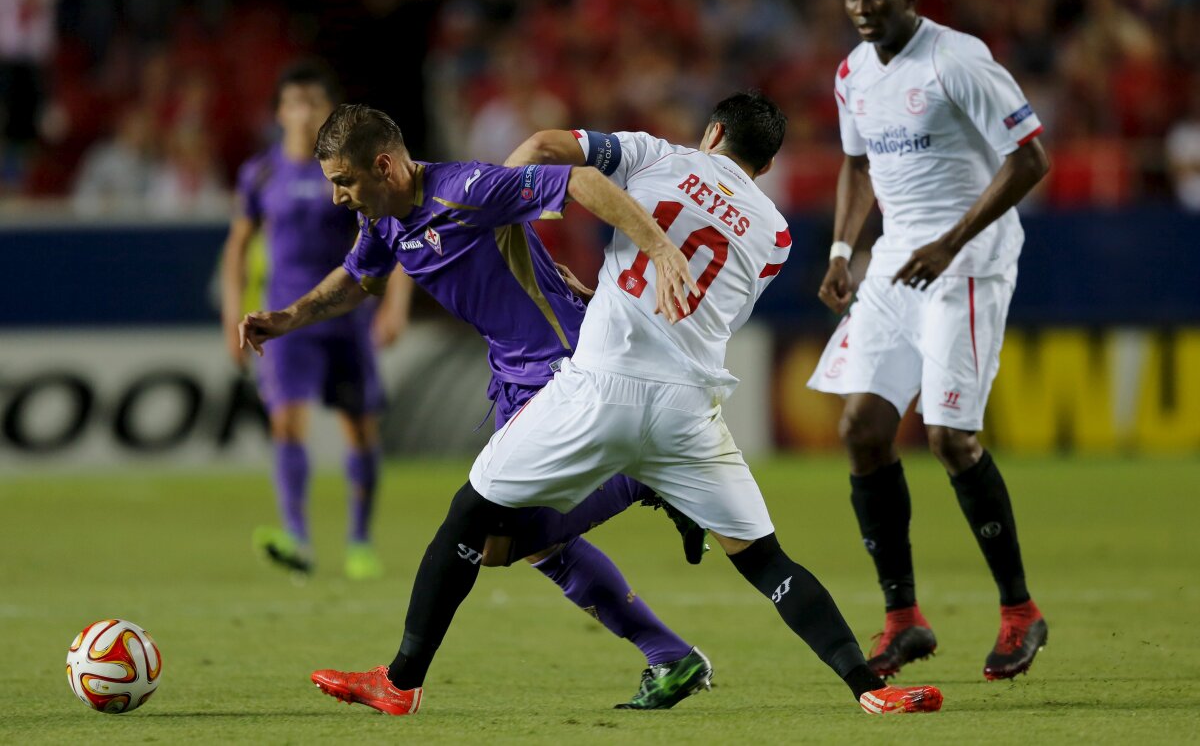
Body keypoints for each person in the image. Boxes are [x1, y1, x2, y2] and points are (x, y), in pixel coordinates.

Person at [306, 92, 944, 716]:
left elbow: (561, 156)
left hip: (599, 388)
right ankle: (869, 688)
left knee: (471, 518)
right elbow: (719, 300)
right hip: (691, 410)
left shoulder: (656, 157)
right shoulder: (776, 234)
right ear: (767, 167)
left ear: (713, 135)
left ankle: (402, 681)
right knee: (768, 561)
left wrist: (506, 202)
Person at [240, 103, 716, 710]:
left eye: (344, 181)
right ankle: (671, 654)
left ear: (384, 165)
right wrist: (287, 318)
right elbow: (357, 279)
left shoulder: (465, 189)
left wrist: (659, 249)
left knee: (481, 526)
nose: (337, 198)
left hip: (563, 368)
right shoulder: (386, 220)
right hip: (516, 378)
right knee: (513, 545)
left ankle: (649, 479)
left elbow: (582, 180)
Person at [806, 0, 1051, 681]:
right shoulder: (853, 71)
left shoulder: (958, 60)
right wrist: (844, 248)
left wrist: (950, 242)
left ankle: (1020, 612)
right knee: (862, 430)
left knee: (948, 436)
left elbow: (1032, 158)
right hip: (895, 261)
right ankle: (903, 618)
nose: (862, 6)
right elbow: (856, 164)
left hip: (967, 263)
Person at [221, 62, 412, 580]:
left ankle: (360, 541)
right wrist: (230, 312)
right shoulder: (260, 173)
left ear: (329, 112)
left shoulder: (346, 172)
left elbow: (392, 231)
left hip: (347, 314)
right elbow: (237, 247)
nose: (304, 113)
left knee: (360, 427)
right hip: (287, 318)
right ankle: (298, 537)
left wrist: (395, 305)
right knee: (286, 419)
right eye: (294, 103)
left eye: (313, 102)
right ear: (280, 112)